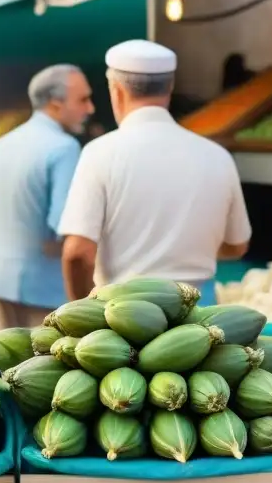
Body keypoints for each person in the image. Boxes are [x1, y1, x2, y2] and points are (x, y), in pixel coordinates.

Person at [58, 40, 252, 305]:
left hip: (126, 320)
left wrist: (80, 314)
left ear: (116, 89)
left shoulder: (99, 153)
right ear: (170, 87)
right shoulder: (218, 156)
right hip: (200, 320)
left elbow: (78, 253)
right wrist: (186, 251)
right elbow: (237, 245)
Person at [0, 65, 95, 331]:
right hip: (45, 288)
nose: (90, 109)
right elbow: (65, 228)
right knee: (42, 370)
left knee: (2, 368)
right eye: (83, 100)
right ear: (55, 104)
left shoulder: (1, 144)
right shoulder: (65, 148)